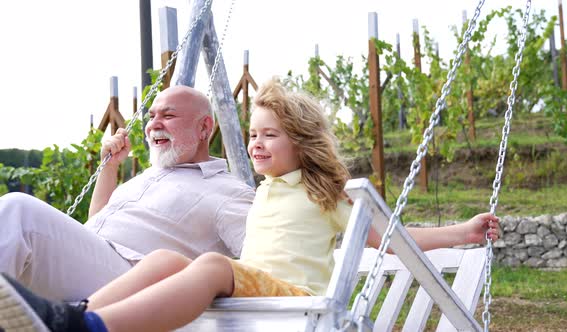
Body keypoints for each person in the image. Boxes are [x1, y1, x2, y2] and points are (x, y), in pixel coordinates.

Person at [0, 79, 499, 332]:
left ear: (302, 142)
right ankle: (73, 319)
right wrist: (110, 165)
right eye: (254, 135)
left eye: (270, 136)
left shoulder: (322, 192)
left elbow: (389, 243)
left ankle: (91, 324)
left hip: (297, 300)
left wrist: (464, 231)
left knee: (211, 263)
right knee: (168, 261)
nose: (256, 145)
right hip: (254, 292)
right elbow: (98, 229)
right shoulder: (265, 192)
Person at [0, 85, 254, 302]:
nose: (153, 125)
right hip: (94, 266)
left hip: (136, 283)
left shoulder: (228, 192)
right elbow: (98, 222)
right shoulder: (149, 176)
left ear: (204, 128)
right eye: (151, 116)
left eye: (168, 116)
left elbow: (262, 259)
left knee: (18, 211)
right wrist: (109, 168)